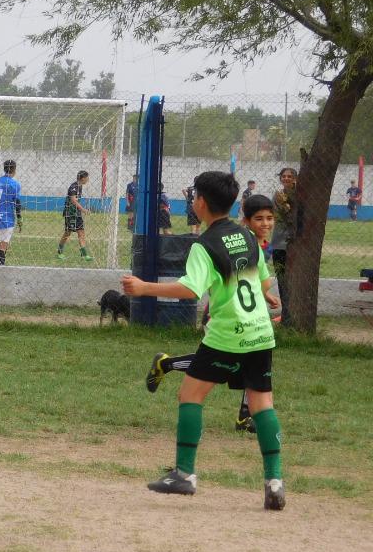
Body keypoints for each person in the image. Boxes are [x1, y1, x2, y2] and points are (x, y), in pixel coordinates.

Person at [122, 171, 285, 510]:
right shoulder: (249, 236)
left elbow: (190, 289)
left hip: (228, 335)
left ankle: (185, 474)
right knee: (261, 405)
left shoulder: (204, 244)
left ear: (200, 203)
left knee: (190, 394)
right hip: (260, 332)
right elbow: (264, 285)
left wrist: (144, 287)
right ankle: (274, 482)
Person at [145, 194, 281, 433]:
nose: (265, 224)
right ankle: (166, 364)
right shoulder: (234, 240)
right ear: (245, 220)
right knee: (217, 366)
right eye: (259, 219)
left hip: (246, 321)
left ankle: (244, 416)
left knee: (246, 363)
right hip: (224, 318)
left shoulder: (254, 243)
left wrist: (263, 295)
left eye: (270, 218)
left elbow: (247, 280)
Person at [271, 166, 298, 324]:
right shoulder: (278, 195)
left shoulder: (302, 195)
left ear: (295, 178)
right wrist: (286, 207)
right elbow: (282, 217)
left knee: (296, 279)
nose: (286, 178)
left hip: (297, 244)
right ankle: (286, 314)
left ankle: (295, 313)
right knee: (282, 279)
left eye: (290, 176)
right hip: (280, 242)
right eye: (284, 176)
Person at [56, 170, 94, 261]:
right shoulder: (73, 187)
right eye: (87, 178)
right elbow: (73, 201)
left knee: (81, 232)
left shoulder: (80, 186)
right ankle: (59, 252)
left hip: (77, 213)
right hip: (71, 214)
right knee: (67, 233)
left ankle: (84, 255)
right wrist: (84, 210)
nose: (88, 179)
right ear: (83, 178)